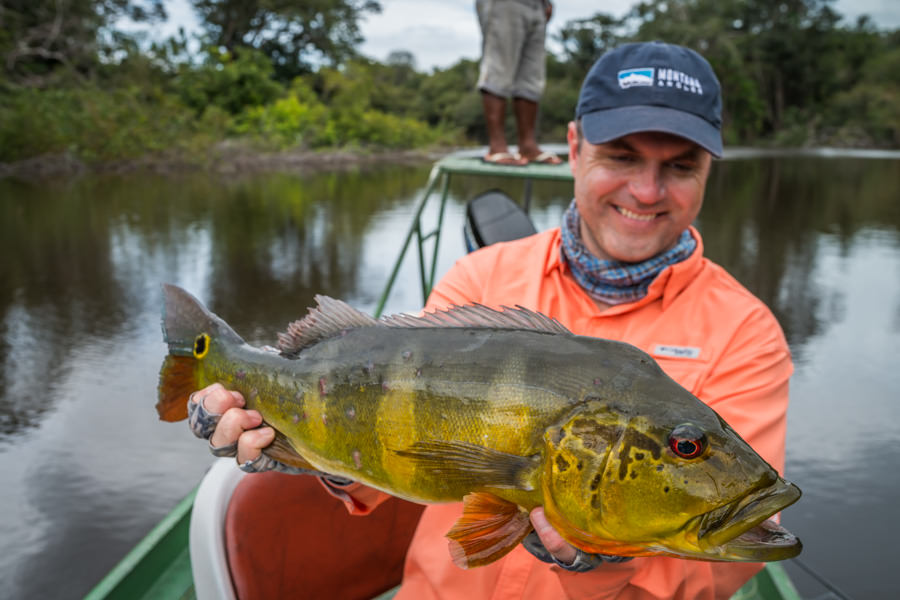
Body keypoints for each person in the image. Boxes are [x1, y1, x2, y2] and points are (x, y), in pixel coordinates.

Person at [189, 42, 793, 599]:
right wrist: (303, 451)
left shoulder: (747, 332)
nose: (646, 189)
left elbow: (724, 568)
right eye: (622, 156)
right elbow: (394, 451)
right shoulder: (481, 277)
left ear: (709, 170)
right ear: (574, 145)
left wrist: (608, 566)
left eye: (681, 166)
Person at [476, 0, 562, 166]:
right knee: (499, 69)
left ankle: (528, 146)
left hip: (538, 6)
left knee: (531, 76)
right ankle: (497, 146)